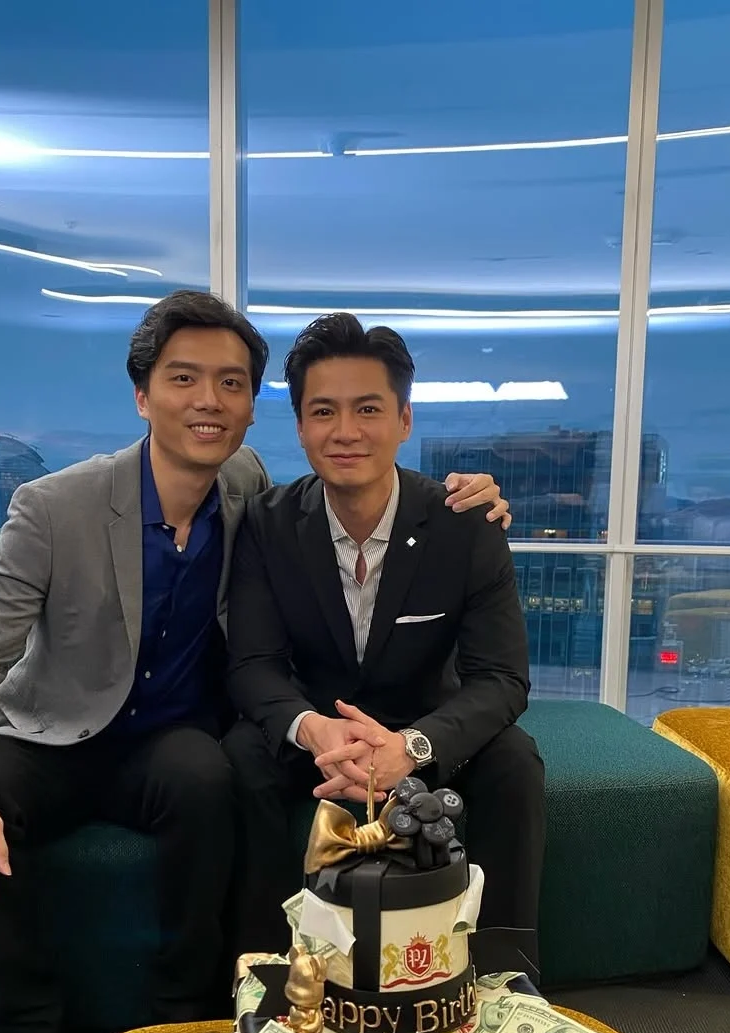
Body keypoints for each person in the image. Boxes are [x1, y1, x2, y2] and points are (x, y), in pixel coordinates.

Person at [0, 292, 509, 1033]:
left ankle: (178, 1030)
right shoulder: (55, 507)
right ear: (142, 394)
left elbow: (351, 495)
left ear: (252, 407)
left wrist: (472, 495)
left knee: (211, 775)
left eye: (231, 384)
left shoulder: (244, 488)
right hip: (52, 733)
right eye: (183, 379)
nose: (208, 401)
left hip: (168, 738)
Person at [224, 313, 545, 966]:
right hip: (320, 732)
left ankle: (505, 974)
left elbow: (502, 679)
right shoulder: (268, 523)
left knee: (514, 760)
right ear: (301, 427)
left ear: (404, 420)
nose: (345, 431)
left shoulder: (465, 524)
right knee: (239, 756)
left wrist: (412, 747)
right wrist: (314, 730)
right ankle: (262, 972)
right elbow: (254, 665)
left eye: (367, 409)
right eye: (323, 412)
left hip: (425, 725)